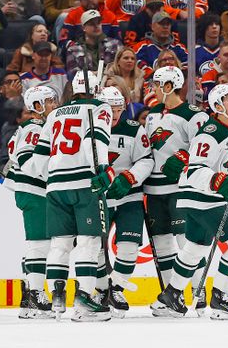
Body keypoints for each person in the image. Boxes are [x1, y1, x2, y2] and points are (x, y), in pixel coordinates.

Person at [153, 83, 228, 319]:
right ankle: (220, 297)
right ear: (218, 106)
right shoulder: (208, 134)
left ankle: (171, 295)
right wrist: (219, 182)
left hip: (205, 197)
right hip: (199, 196)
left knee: (196, 247)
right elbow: (195, 170)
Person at [29, 71, 114, 321]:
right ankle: (84, 301)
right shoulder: (99, 107)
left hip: (56, 185)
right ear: (96, 87)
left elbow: (39, 159)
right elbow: (94, 141)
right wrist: (102, 169)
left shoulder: (55, 113)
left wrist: (48, 174)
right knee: (89, 242)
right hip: (84, 182)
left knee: (60, 243)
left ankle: (57, 297)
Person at [142, 66, 210, 295]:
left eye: (155, 84)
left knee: (185, 242)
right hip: (153, 189)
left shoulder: (194, 114)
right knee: (161, 245)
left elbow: (203, 147)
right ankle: (171, 296)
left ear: (168, 86)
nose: (152, 88)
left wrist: (183, 157)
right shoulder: (152, 114)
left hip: (179, 187)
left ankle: (199, 294)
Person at [92, 86, 154, 317]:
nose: (115, 114)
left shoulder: (134, 129)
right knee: (95, 247)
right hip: (98, 198)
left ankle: (116, 289)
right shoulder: (89, 131)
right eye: (110, 109)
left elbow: (146, 160)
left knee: (129, 247)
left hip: (130, 196)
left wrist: (129, 177)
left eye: (119, 109)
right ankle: (100, 289)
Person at [2, 86, 57, 319]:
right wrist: (51, 174)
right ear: (37, 106)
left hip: (31, 190)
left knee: (39, 244)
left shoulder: (34, 127)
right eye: (49, 101)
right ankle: (35, 294)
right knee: (40, 244)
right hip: (34, 190)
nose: (54, 104)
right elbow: (25, 158)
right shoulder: (35, 127)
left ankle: (28, 296)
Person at [64, 9, 123, 81]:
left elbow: (122, 68)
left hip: (112, 84)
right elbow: (72, 75)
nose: (96, 26)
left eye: (98, 23)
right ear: (83, 28)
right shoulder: (73, 49)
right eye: (91, 24)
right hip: (84, 87)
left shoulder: (115, 44)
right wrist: (98, 74)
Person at [133, 10, 188, 77]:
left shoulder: (179, 47)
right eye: (161, 24)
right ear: (152, 26)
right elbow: (137, 63)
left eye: (168, 24)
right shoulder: (142, 47)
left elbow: (188, 64)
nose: (165, 27)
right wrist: (158, 76)